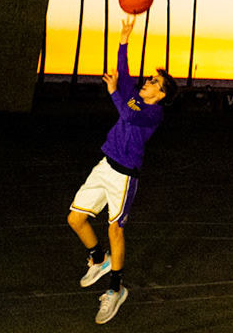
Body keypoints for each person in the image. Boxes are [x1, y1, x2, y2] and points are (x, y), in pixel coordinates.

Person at [68, 16, 177, 325]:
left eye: (154, 82)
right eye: (150, 79)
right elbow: (123, 70)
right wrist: (124, 38)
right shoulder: (132, 93)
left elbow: (128, 117)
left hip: (124, 176)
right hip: (104, 165)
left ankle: (115, 290)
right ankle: (99, 259)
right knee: (75, 218)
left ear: (162, 94)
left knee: (115, 228)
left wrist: (115, 93)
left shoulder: (154, 114)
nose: (148, 82)